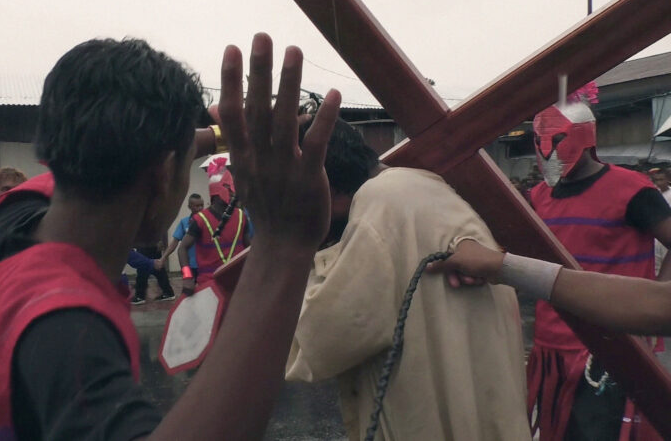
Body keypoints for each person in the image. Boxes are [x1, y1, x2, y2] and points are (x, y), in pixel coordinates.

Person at [0, 33, 342, 440]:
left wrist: (224, 137)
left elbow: (148, 153)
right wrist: (284, 244)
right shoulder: (67, 328)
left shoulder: (8, 215)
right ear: (165, 172)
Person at [284, 119, 530, 440]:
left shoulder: (380, 207)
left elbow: (316, 343)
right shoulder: (421, 190)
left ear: (322, 187)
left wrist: (302, 246)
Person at [527, 85, 671, 441]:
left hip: (611, 350)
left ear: (584, 136)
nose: (547, 149)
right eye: (539, 139)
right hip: (551, 348)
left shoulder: (632, 189)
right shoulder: (537, 197)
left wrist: (656, 297)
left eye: (557, 138)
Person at [431, 239, 671, 336]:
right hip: (552, 334)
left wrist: (503, 267)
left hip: (604, 343)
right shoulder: (540, 194)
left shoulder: (633, 190)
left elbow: (661, 305)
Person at [178, 158, 250, 296]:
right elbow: (182, 248)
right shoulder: (200, 220)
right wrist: (187, 276)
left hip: (238, 283)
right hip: (209, 286)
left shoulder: (242, 216)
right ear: (217, 192)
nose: (233, 193)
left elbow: (249, 248)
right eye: (229, 188)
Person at [157, 193, 203, 278]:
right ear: (189, 206)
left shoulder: (208, 222)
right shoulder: (184, 222)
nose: (200, 208)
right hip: (189, 265)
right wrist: (163, 258)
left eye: (201, 205)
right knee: (188, 284)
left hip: (205, 265)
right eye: (197, 206)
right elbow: (174, 242)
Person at [131, 240, 176, 304]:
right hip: (150, 244)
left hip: (148, 244)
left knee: (143, 268)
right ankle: (168, 292)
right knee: (157, 268)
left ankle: (140, 296)